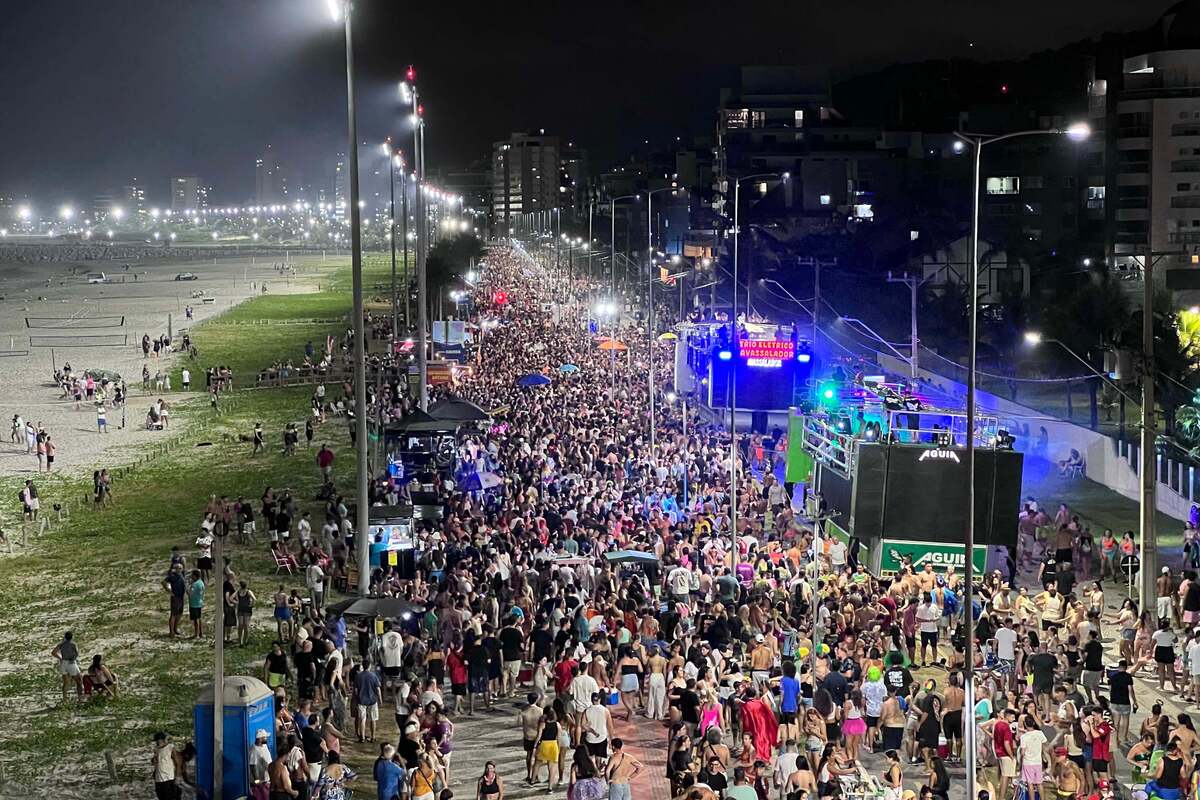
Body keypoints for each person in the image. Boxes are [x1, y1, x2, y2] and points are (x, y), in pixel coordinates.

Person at [52, 631, 83, 703]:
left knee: (65, 682)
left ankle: (65, 699)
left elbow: (53, 652)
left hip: (63, 663)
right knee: (79, 680)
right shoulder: (73, 644)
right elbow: (77, 653)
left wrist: (60, 658)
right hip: (71, 663)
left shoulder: (61, 644)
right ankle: (80, 699)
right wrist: (73, 658)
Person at [151, 732, 183, 800]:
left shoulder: (170, 747)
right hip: (158, 779)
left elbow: (178, 763)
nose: (156, 742)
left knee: (170, 797)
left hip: (168, 778)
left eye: (157, 740)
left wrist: (177, 776)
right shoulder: (156, 750)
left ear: (161, 740)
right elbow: (155, 763)